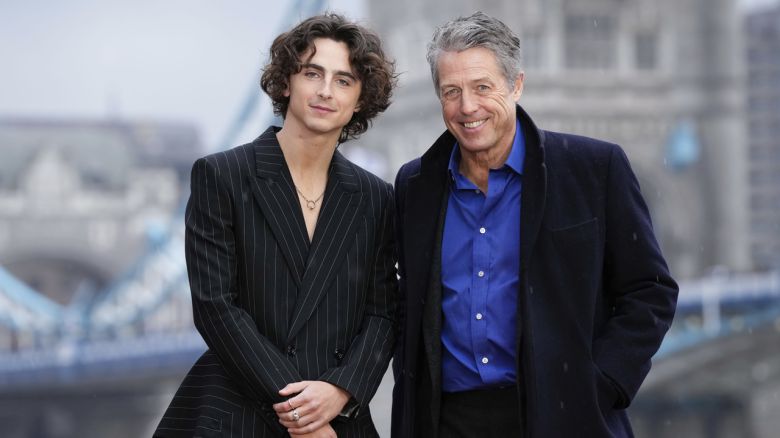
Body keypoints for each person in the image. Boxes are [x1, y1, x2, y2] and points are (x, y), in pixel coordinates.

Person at [391, 11, 678, 438]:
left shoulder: (594, 169)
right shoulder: (414, 186)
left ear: (516, 85)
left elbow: (650, 290)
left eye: (482, 87)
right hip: (446, 421)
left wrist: (602, 383)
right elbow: (404, 305)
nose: (467, 107)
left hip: (562, 418)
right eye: (451, 91)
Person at [155, 13, 398, 438]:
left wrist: (342, 390)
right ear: (286, 82)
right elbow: (216, 307)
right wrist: (302, 415)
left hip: (338, 418)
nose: (326, 91)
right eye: (312, 73)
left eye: (344, 80)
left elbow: (384, 313)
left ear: (360, 99)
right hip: (240, 414)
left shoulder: (376, 197)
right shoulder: (222, 176)